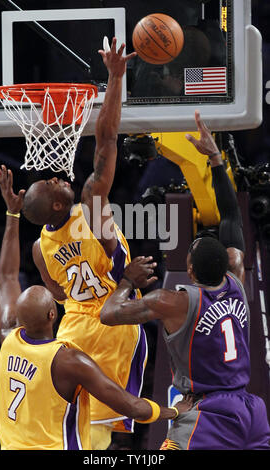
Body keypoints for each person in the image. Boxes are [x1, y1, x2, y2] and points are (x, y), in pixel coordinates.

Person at [100, 111, 270, 450]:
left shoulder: (172, 301)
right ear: (227, 265)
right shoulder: (236, 280)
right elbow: (232, 216)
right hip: (252, 411)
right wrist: (217, 160)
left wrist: (127, 281)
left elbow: (108, 314)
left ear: (189, 271)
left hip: (205, 412)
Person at [0, 165, 193, 451]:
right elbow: (135, 407)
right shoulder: (67, 360)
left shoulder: (10, 340)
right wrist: (176, 411)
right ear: (54, 314)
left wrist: (13, 214)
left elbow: (7, 276)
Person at [21, 38, 148, 450]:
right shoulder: (92, 207)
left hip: (72, 330)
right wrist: (114, 78)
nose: (60, 175)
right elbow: (107, 140)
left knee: (72, 433)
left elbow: (56, 293)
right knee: (99, 437)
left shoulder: (40, 247)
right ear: (59, 203)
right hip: (113, 320)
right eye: (54, 181)